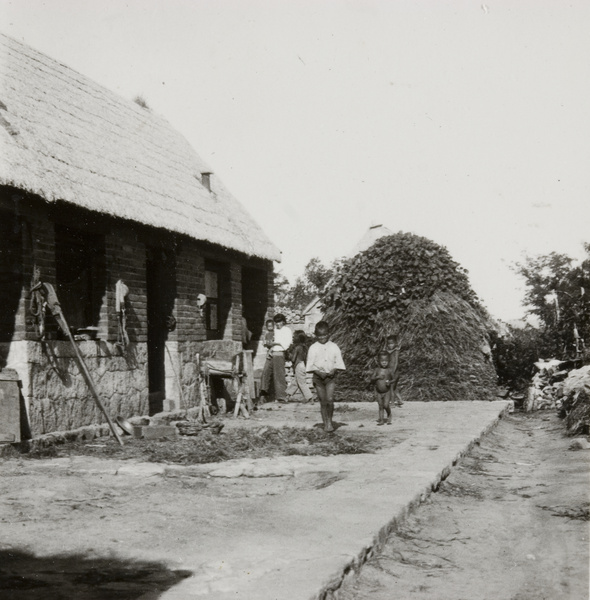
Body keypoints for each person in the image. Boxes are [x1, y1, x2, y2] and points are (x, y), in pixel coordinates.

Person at [306, 321, 345, 432]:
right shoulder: (313, 348)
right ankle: (326, 423)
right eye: (319, 336)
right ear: (316, 335)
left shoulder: (334, 347)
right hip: (318, 378)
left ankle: (330, 420)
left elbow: (338, 362)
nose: (322, 338)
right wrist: (318, 372)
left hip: (330, 378)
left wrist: (334, 369)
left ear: (329, 334)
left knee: (330, 399)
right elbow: (310, 364)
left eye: (324, 335)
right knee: (323, 401)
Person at [260, 314, 292, 403]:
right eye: (276, 322)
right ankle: (263, 394)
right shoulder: (275, 330)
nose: (278, 324)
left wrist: (274, 343)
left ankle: (281, 396)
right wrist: (270, 347)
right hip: (272, 353)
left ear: (283, 322)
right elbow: (271, 342)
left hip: (279, 353)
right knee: (266, 372)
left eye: (279, 322)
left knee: (279, 375)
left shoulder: (287, 330)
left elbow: (286, 344)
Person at [286, 331, 314, 403]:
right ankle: (287, 396)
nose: (292, 338)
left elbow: (293, 359)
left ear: (298, 338)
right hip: (302, 365)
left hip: (298, 366)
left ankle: (310, 397)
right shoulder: (304, 347)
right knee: (295, 382)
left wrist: (288, 354)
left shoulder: (297, 348)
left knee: (301, 383)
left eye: (294, 336)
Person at [370, 351, 395, 425]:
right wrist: (378, 377)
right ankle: (381, 420)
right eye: (382, 361)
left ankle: (389, 413)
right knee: (380, 406)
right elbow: (372, 379)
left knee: (386, 405)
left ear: (389, 361)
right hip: (378, 391)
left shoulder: (389, 370)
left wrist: (389, 382)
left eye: (386, 361)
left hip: (387, 391)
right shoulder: (377, 370)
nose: (384, 362)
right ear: (379, 361)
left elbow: (394, 379)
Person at [385, 334, 403, 406]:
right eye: (389, 344)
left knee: (391, 387)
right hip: (390, 370)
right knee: (394, 387)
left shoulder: (396, 351)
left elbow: (396, 362)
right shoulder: (388, 351)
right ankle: (400, 400)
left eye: (392, 343)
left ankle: (392, 403)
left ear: (395, 343)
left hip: (394, 371)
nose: (390, 345)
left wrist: (393, 371)